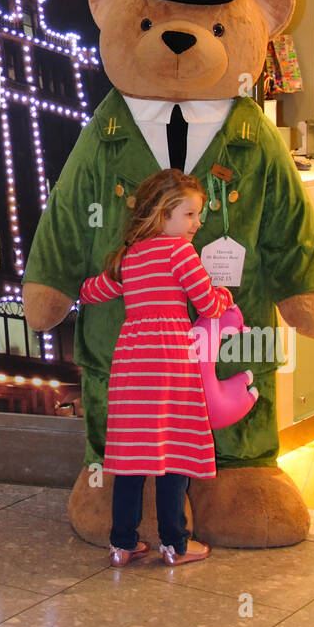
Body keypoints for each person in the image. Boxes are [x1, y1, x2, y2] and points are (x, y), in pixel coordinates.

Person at [78, 168, 233, 566]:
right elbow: (206, 302)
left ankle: (122, 544)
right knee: (175, 451)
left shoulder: (131, 255)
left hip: (132, 362)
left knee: (131, 456)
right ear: (163, 214)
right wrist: (225, 297)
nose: (197, 223)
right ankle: (175, 544)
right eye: (190, 215)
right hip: (169, 361)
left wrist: (75, 290)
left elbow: (96, 290)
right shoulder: (180, 251)